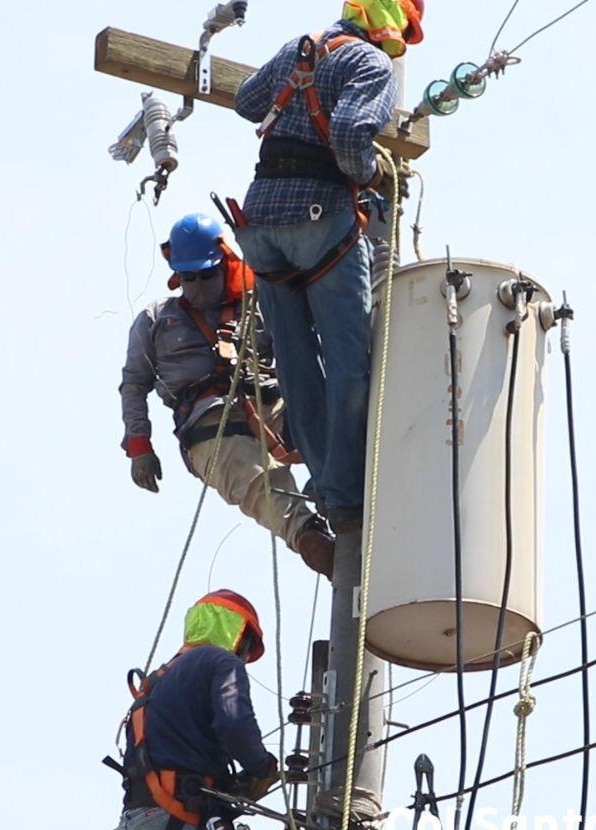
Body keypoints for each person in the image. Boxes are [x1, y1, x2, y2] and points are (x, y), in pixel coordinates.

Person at [232, 0, 424, 534]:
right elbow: (347, 134)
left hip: (262, 221)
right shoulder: (371, 64)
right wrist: (369, 178)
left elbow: (247, 102)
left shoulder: (303, 48)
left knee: (295, 360)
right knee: (349, 362)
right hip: (319, 218)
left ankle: (328, 482)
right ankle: (347, 488)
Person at [120, 213, 334, 577]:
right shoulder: (156, 318)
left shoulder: (260, 304)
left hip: (274, 404)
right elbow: (134, 384)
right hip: (210, 425)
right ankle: (319, 547)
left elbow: (302, 345)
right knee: (265, 493)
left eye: (207, 275)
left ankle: (338, 496)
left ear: (224, 264)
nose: (199, 285)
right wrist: (140, 447)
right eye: (190, 278)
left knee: (335, 440)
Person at [115, 590, 279, 830]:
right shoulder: (221, 661)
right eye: (246, 648)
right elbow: (234, 724)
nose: (244, 657)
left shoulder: (157, 681)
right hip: (182, 823)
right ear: (238, 635)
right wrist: (262, 767)